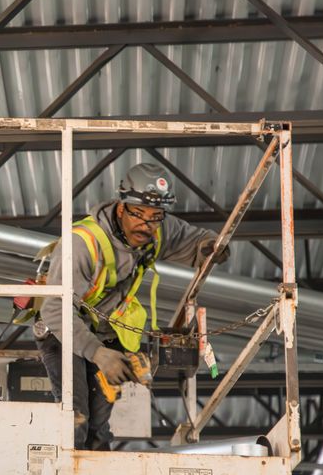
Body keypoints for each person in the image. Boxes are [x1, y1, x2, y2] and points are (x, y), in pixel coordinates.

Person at [35, 163, 227, 451]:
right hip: (63, 329)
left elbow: (195, 240)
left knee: (98, 429)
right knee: (75, 419)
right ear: (121, 207)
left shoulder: (155, 232)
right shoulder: (83, 243)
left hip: (104, 332)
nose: (146, 225)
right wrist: (98, 354)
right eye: (138, 214)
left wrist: (211, 248)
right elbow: (55, 309)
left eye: (155, 217)